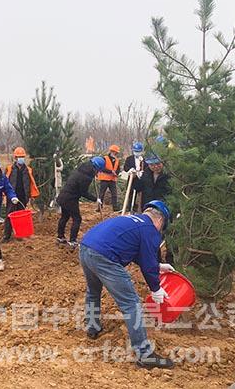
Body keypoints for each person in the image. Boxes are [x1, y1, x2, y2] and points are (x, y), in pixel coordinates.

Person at [79, 200, 174, 369]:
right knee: (131, 303)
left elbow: (135, 252)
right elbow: (146, 261)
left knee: (93, 292)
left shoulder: (133, 220)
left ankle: (92, 328)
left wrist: (157, 266)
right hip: (104, 256)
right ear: (160, 221)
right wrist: (156, 288)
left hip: (86, 247)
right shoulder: (150, 229)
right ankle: (145, 355)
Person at [56, 157, 105, 250]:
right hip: (70, 199)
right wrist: (96, 199)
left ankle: (60, 237)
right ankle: (72, 241)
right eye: (98, 170)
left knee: (65, 217)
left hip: (64, 196)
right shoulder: (86, 177)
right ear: (96, 168)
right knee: (77, 219)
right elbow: (83, 192)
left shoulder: (81, 169)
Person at [3, 147, 40, 243]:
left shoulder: (28, 170)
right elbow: (4, 181)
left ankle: (21, 234)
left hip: (23, 196)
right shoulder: (9, 169)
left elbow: (31, 183)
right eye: (19, 157)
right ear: (15, 158)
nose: (21, 159)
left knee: (21, 216)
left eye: (22, 157)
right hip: (12, 196)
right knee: (9, 215)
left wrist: (30, 195)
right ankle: (7, 235)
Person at [123, 142, 147, 213]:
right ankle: (130, 208)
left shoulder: (144, 160)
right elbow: (125, 167)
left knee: (142, 196)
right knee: (130, 195)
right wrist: (130, 170)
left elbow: (147, 168)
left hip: (141, 180)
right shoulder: (129, 159)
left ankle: (141, 209)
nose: (137, 153)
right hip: (132, 180)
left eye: (138, 151)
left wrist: (142, 173)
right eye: (135, 151)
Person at [98, 144, 121, 211]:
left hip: (112, 179)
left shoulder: (117, 160)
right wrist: (110, 171)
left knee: (114, 194)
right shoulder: (105, 158)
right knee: (101, 193)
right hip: (104, 179)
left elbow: (118, 169)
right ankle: (99, 207)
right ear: (112, 151)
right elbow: (101, 168)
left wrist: (116, 173)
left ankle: (115, 207)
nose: (116, 153)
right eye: (115, 152)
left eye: (116, 152)